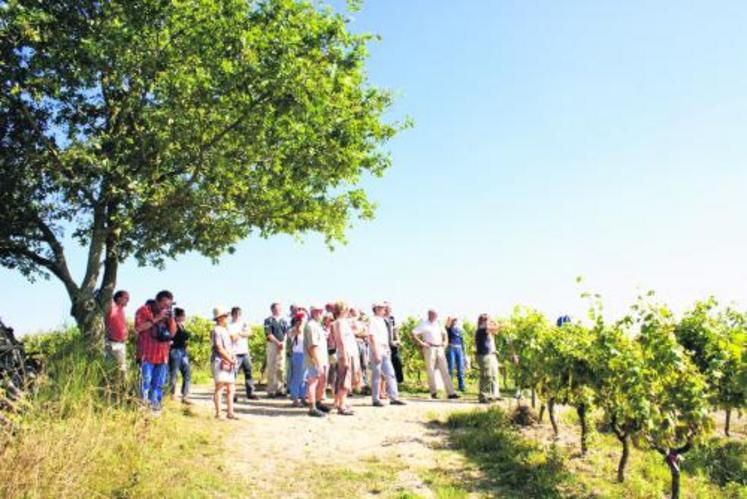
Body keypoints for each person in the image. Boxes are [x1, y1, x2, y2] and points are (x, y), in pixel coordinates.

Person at [134, 290, 177, 412]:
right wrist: (157, 318)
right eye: (164, 304)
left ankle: (155, 406)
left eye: (168, 305)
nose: (166, 307)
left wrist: (171, 318)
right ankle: (143, 406)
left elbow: (172, 334)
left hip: (162, 355)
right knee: (145, 381)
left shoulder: (168, 315)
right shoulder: (144, 310)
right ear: (157, 301)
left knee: (158, 383)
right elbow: (138, 328)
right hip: (147, 354)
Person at [413, 309, 460, 400]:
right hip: (429, 348)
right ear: (429, 314)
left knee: (445, 370)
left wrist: (445, 342)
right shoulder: (424, 324)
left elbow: (445, 333)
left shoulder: (439, 323)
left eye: (436, 314)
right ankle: (433, 392)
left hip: (440, 348)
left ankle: (451, 393)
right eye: (434, 314)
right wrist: (421, 343)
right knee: (430, 370)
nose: (435, 316)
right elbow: (413, 333)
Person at [368, 302, 406, 407]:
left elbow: (386, 336)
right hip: (377, 349)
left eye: (383, 308)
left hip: (385, 349)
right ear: (375, 309)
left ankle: (394, 398)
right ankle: (375, 399)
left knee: (391, 373)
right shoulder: (373, 320)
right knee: (376, 375)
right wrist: (376, 352)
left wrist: (388, 348)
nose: (383, 309)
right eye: (381, 308)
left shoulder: (383, 321)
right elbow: (372, 337)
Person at [304, 305, 331, 417]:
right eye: (317, 311)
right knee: (313, 382)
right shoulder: (311, 326)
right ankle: (312, 407)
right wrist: (317, 362)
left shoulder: (317, 325)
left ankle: (318, 403)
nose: (320, 313)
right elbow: (312, 346)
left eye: (321, 311)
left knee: (321, 382)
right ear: (313, 312)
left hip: (322, 358)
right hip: (315, 359)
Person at [211, 306, 237, 419]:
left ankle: (230, 412)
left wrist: (232, 357)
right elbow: (219, 347)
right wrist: (229, 359)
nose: (226, 318)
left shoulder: (225, 330)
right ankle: (218, 413)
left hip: (227, 360)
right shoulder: (216, 330)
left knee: (231, 387)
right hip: (219, 360)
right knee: (220, 386)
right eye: (225, 316)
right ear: (219, 318)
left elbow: (229, 346)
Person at [229, 307, 258, 402]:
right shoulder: (229, 325)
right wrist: (240, 334)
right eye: (236, 314)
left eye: (239, 314)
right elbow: (231, 338)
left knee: (248, 372)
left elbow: (249, 333)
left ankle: (250, 392)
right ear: (232, 314)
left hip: (244, 352)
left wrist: (240, 334)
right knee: (233, 374)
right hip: (234, 352)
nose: (238, 316)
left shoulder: (244, 323)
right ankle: (232, 394)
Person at [332, 301, 356, 415]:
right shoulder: (340, 323)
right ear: (342, 311)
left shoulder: (341, 322)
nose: (348, 312)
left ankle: (340, 402)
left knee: (343, 379)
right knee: (344, 381)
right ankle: (341, 406)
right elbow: (341, 340)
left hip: (346, 353)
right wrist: (345, 357)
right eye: (346, 310)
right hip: (345, 354)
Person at [475, 314, 502, 403]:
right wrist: (496, 323)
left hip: (490, 355)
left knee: (493, 375)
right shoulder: (482, 329)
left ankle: (493, 395)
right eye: (487, 320)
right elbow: (497, 328)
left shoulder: (487, 330)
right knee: (486, 375)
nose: (488, 322)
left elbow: (496, 331)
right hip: (484, 356)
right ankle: (483, 396)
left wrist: (493, 321)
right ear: (482, 321)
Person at [264, 303, 289, 398]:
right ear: (272, 309)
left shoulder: (284, 321)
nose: (279, 310)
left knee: (281, 368)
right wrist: (277, 342)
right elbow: (268, 334)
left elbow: (286, 332)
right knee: (271, 367)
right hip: (272, 345)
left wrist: (283, 342)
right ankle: (271, 390)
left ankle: (280, 389)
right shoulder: (268, 320)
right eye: (277, 308)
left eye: (280, 308)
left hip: (282, 345)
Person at [168, 307, 192, 404]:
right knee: (174, 373)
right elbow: (172, 337)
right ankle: (172, 394)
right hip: (175, 351)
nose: (184, 317)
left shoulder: (182, 326)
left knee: (187, 372)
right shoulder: (173, 324)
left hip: (182, 351)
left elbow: (184, 339)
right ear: (178, 316)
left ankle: (185, 394)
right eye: (182, 315)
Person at [104, 290, 130, 373]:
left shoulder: (121, 309)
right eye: (126, 298)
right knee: (110, 368)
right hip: (110, 342)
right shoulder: (111, 306)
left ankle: (121, 385)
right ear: (118, 298)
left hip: (121, 343)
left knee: (122, 369)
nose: (128, 300)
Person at [287, 312, 307, 407]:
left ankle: (303, 397)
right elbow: (296, 333)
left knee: (304, 378)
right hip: (297, 354)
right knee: (296, 378)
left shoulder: (305, 330)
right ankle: (295, 399)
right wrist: (299, 325)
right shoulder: (292, 330)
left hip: (306, 355)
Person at [384, 302, 404, 384]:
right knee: (386, 365)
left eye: (389, 307)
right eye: (387, 307)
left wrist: (398, 340)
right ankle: (387, 385)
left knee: (397, 362)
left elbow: (395, 330)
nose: (388, 309)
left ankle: (398, 382)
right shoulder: (380, 319)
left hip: (393, 344)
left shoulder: (392, 318)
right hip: (384, 344)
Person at [445, 317, 466, 392]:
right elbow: (446, 326)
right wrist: (449, 319)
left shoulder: (459, 330)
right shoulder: (449, 329)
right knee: (450, 368)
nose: (455, 322)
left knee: (460, 369)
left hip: (459, 349)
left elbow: (462, 342)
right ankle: (449, 387)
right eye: (453, 321)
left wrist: (464, 353)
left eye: (456, 321)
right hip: (451, 348)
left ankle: (462, 387)